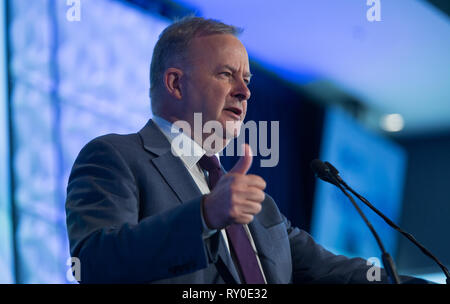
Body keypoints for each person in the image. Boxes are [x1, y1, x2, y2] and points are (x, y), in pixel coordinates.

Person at [65, 16, 420, 284]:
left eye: (247, 81)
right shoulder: (115, 157)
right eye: (226, 75)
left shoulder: (259, 206)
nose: (244, 92)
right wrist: (204, 215)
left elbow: (336, 272)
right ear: (175, 83)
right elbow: (94, 263)